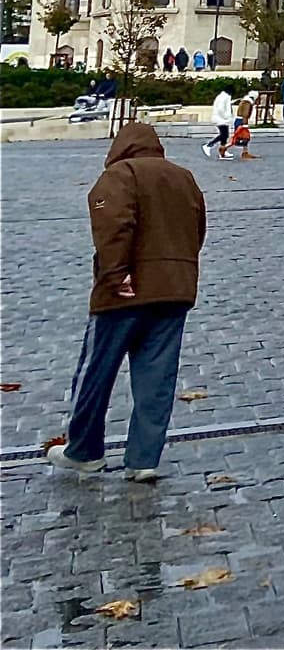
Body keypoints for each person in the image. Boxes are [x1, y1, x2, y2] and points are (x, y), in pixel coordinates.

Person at [47, 123, 206, 483]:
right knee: (157, 379)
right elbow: (197, 230)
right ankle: (144, 459)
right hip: (174, 290)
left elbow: (114, 228)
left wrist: (116, 274)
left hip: (124, 293)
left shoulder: (120, 175)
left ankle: (83, 451)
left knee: (95, 373)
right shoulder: (184, 177)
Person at [205, 87, 233, 158]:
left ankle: (223, 151)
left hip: (221, 119)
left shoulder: (222, 96)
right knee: (224, 135)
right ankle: (209, 145)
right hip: (221, 119)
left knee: (225, 135)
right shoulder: (225, 97)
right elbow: (221, 109)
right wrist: (226, 116)